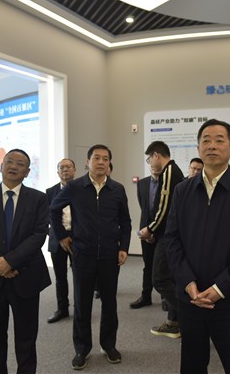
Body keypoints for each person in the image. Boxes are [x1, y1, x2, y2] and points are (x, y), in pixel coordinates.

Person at [164, 119, 230, 373]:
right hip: (191, 298)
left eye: (219, 140)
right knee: (192, 364)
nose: (212, 145)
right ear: (198, 148)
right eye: (206, 140)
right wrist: (188, 283)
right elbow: (172, 240)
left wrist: (220, 288)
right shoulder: (182, 191)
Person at [0, 149, 51, 374]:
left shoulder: (38, 198)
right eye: (10, 161)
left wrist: (11, 262)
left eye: (20, 164)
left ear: (27, 172)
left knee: (26, 337)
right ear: (1, 165)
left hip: (26, 276)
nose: (14, 166)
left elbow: (39, 235)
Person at [50, 144, 131, 370]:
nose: (101, 162)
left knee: (110, 303)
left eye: (105, 158)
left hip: (109, 255)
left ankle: (109, 345)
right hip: (82, 254)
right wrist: (62, 236)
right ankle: (82, 349)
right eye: (97, 158)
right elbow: (54, 209)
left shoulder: (117, 189)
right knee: (82, 303)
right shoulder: (75, 187)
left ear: (109, 163)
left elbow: (125, 221)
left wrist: (124, 247)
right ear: (88, 162)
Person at [138, 141, 185, 338]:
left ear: (156, 155)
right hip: (168, 233)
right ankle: (174, 323)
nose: (150, 163)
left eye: (150, 159)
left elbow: (164, 208)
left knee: (160, 279)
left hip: (169, 236)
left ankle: (191, 315)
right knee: (171, 279)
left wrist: (150, 230)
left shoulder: (169, 172)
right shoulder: (173, 171)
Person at [46, 158, 76, 323]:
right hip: (57, 238)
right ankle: (62, 308)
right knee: (60, 277)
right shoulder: (50, 191)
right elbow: (48, 216)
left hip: (78, 238)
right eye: (61, 167)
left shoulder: (81, 189)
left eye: (68, 167)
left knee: (80, 276)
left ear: (74, 170)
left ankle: (80, 308)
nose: (65, 170)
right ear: (57, 172)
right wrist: (60, 236)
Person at [129, 164, 162, 309]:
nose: (154, 167)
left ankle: (165, 298)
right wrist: (147, 231)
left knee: (163, 267)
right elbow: (144, 208)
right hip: (145, 230)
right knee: (147, 265)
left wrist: (154, 230)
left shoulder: (167, 183)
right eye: (152, 165)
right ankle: (146, 296)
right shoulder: (142, 183)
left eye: (157, 166)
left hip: (162, 232)